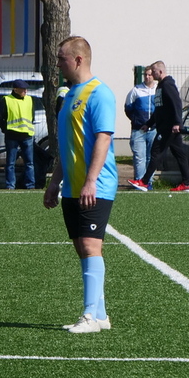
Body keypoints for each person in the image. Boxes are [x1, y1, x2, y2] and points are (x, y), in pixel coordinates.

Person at [42, 35, 118, 334]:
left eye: (61, 59)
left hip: (94, 185)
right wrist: (55, 182)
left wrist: (91, 181)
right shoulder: (70, 95)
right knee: (81, 247)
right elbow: (68, 146)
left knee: (90, 245)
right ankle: (100, 314)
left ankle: (88, 316)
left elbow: (103, 138)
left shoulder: (99, 93)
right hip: (73, 185)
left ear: (78, 59)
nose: (57, 64)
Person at [133, 60, 189, 192]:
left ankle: (144, 182)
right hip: (165, 127)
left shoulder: (167, 85)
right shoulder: (160, 86)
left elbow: (176, 103)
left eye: (153, 71)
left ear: (160, 71)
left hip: (168, 128)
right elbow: (160, 109)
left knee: (156, 153)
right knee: (179, 154)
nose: (152, 74)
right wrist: (148, 124)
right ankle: (187, 183)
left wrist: (177, 123)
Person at [0, 79, 37, 189]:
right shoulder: (7, 100)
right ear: (15, 89)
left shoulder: (29, 99)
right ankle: (10, 185)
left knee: (29, 163)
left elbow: (32, 116)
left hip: (27, 135)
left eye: (26, 89)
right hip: (12, 136)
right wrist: (6, 129)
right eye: (23, 89)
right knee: (11, 163)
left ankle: (30, 185)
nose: (25, 91)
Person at [123, 65, 158, 190]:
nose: (147, 77)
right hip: (138, 130)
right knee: (139, 157)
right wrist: (136, 120)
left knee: (150, 157)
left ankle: (148, 182)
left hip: (153, 129)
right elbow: (128, 108)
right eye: (145, 75)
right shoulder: (136, 90)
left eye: (150, 75)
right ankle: (139, 181)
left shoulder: (158, 90)